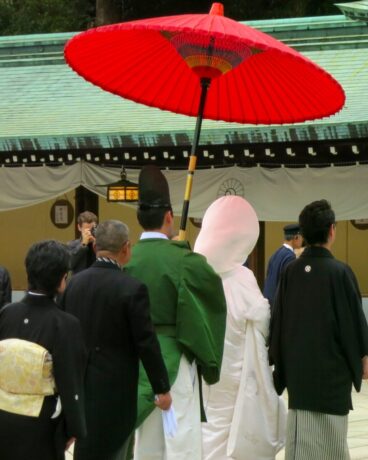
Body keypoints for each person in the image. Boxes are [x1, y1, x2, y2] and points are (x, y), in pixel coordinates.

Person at [124, 165, 227, 460]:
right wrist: (186, 254)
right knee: (180, 438)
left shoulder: (126, 259)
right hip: (174, 361)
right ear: (170, 217)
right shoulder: (185, 260)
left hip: (134, 362)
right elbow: (211, 294)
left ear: (139, 219)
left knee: (146, 438)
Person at [269, 199, 368, 460]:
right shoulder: (340, 272)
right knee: (332, 443)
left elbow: (278, 319)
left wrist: (277, 361)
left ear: (303, 234)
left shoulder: (291, 271)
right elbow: (353, 321)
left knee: (301, 441)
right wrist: (363, 359)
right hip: (332, 374)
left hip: (299, 373)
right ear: (332, 230)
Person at [61, 220, 172, 460]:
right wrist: (161, 387)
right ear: (126, 248)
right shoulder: (131, 288)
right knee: (116, 448)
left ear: (94, 248)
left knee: (86, 446)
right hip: (116, 386)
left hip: (79, 382)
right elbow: (146, 342)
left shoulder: (74, 284)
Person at [195, 196, 287, 460]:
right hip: (235, 368)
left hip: (205, 365)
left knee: (207, 422)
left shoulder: (197, 274)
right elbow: (261, 317)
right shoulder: (242, 277)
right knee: (229, 425)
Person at [0, 240, 87, 460]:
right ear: (62, 280)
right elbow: (70, 380)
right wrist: (74, 427)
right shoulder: (65, 323)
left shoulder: (7, 314)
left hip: (4, 413)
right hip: (42, 420)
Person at [263, 223, 302, 308]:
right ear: (296, 237)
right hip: (279, 305)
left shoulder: (275, 254)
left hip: (268, 302)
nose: (302, 240)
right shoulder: (290, 257)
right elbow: (289, 286)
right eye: (301, 237)